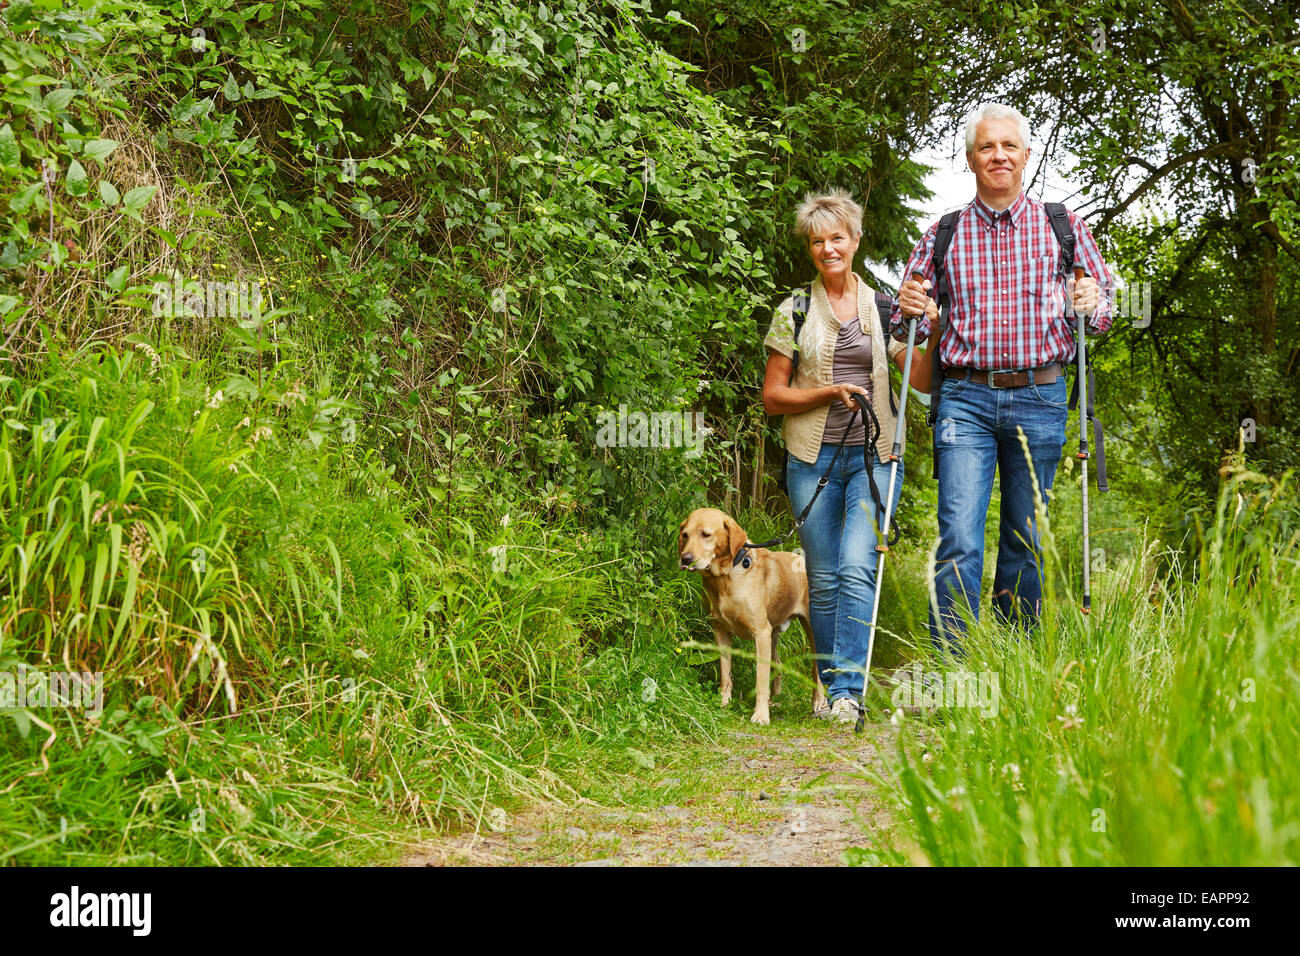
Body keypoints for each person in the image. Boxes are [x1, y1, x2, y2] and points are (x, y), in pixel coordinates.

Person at [892, 103, 1114, 653]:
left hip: (1041, 394)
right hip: (964, 398)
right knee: (960, 538)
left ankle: (1012, 660)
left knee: (1027, 538)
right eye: (987, 147)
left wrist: (1091, 299)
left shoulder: (1063, 227)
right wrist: (911, 305)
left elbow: (1106, 307)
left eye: (1008, 146)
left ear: (1025, 156)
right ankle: (954, 662)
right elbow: (905, 323)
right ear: (970, 159)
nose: (998, 156)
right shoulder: (943, 233)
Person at [763, 189, 934, 723]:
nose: (828, 248)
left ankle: (847, 696)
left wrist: (929, 324)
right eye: (818, 241)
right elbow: (773, 398)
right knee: (826, 574)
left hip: (875, 455)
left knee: (859, 566)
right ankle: (831, 688)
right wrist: (826, 391)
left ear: (856, 241)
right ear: (810, 249)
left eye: (837, 237)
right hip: (810, 461)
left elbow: (923, 380)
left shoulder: (886, 309)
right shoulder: (793, 310)